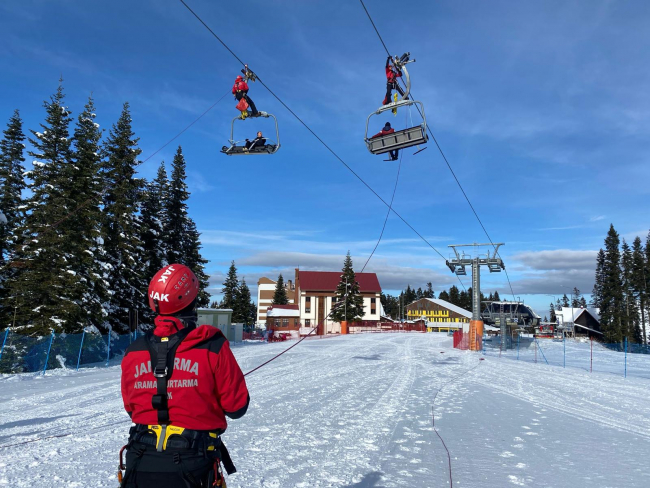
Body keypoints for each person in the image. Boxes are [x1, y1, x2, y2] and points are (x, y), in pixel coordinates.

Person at [119, 263, 249, 487]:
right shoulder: (212, 345)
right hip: (192, 464)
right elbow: (236, 407)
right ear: (191, 301)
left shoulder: (134, 351)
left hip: (141, 463)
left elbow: (132, 407)